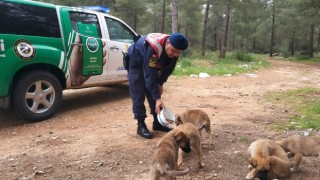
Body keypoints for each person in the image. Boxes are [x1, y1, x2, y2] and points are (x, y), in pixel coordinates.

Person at [127, 32, 188, 139]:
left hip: (150, 64)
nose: (175, 54)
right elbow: (149, 75)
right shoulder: (154, 47)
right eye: (173, 51)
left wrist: (160, 83)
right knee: (138, 93)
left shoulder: (174, 50)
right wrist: (158, 98)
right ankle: (141, 125)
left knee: (154, 90)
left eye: (178, 52)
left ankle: (157, 123)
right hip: (136, 62)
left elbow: (168, 69)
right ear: (168, 43)